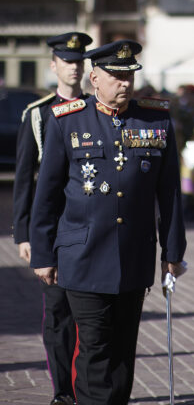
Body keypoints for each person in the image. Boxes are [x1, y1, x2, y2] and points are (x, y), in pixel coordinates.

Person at [28, 40, 186, 405]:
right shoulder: (67, 119)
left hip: (133, 254)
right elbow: (47, 194)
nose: (125, 83)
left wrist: (173, 250)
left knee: (122, 346)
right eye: (116, 76)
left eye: (129, 76)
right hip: (82, 254)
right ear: (94, 78)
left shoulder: (155, 119)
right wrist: (42, 254)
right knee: (95, 345)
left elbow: (170, 192)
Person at [12, 32, 92, 405]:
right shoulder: (38, 114)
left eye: (79, 61)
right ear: (54, 65)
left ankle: (89, 387)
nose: (73, 67)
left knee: (91, 314)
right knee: (58, 314)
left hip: (90, 228)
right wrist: (24, 233)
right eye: (67, 61)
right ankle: (63, 392)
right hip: (54, 228)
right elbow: (25, 177)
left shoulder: (97, 109)